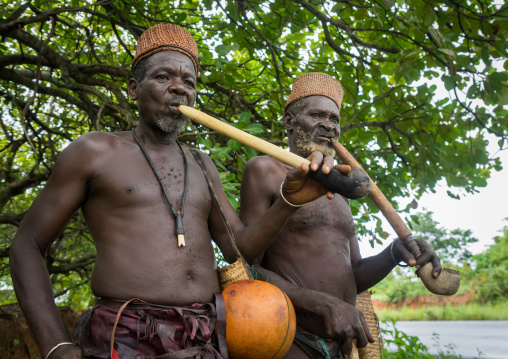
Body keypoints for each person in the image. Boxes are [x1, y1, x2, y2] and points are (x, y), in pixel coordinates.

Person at [9, 26, 338, 359]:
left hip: (207, 335)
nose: (179, 88)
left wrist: (288, 201)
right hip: (125, 333)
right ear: (134, 89)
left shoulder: (202, 164)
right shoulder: (94, 151)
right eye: (164, 77)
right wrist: (56, 345)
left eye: (189, 82)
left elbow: (238, 250)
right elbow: (27, 244)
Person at [239, 72, 443, 359]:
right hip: (288, 338)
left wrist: (394, 254)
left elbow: (353, 274)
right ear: (289, 122)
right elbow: (249, 268)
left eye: (334, 119)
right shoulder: (264, 169)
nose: (329, 126)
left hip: (343, 344)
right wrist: (323, 305)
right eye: (317, 115)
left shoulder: (339, 189)